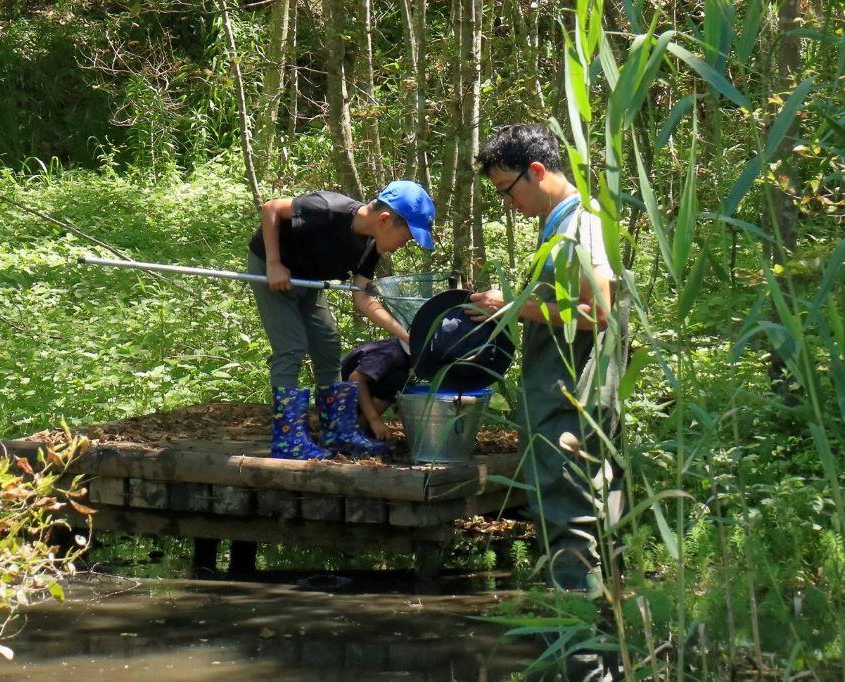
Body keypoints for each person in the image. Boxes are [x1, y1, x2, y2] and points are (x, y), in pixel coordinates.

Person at [469, 124, 621, 595]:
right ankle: (600, 630)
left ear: (536, 171)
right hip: (558, 397)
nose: (507, 203)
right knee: (573, 506)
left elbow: (596, 311)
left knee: (571, 508)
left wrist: (514, 307)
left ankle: (581, 623)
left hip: (573, 402)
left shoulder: (583, 224)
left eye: (506, 190)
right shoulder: (557, 223)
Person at [247, 181, 434, 460]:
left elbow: (363, 298)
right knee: (292, 347)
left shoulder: (371, 246)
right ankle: (287, 440)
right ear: (385, 220)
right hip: (271, 270)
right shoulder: (328, 208)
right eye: (406, 238)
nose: (402, 245)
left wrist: (407, 336)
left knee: (328, 345)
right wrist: (274, 263)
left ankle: (338, 431)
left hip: (308, 280)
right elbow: (271, 208)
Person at [340, 337, 412, 442]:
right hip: (339, 401)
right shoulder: (392, 352)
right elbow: (356, 378)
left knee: (400, 380)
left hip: (353, 399)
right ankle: (355, 428)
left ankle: (362, 425)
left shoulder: (403, 358)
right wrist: (375, 420)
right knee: (397, 379)